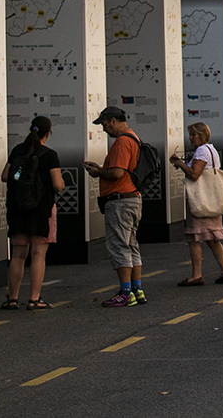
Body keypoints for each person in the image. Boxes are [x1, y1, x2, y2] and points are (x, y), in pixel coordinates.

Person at [84, 106, 146, 307]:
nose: (103, 129)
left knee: (119, 246)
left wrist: (98, 173)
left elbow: (118, 173)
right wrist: (102, 169)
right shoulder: (133, 137)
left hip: (120, 201)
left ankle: (125, 292)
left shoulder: (121, 142)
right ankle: (137, 289)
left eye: (103, 124)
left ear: (113, 120)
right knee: (131, 245)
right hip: (132, 198)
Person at [0, 116, 64, 310]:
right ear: (48, 133)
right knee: (38, 254)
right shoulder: (49, 155)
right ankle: (34, 299)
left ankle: (12, 298)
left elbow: (5, 176)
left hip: (18, 209)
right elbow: (57, 184)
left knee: (18, 254)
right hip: (41, 211)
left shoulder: (18, 150)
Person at [172, 123, 223, 285]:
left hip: (200, 202)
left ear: (202, 135)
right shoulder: (211, 150)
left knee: (194, 238)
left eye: (193, 134)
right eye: (190, 134)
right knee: (212, 238)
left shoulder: (201, 151)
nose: (190, 138)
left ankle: (196, 275)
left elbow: (194, 174)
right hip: (212, 201)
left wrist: (179, 164)